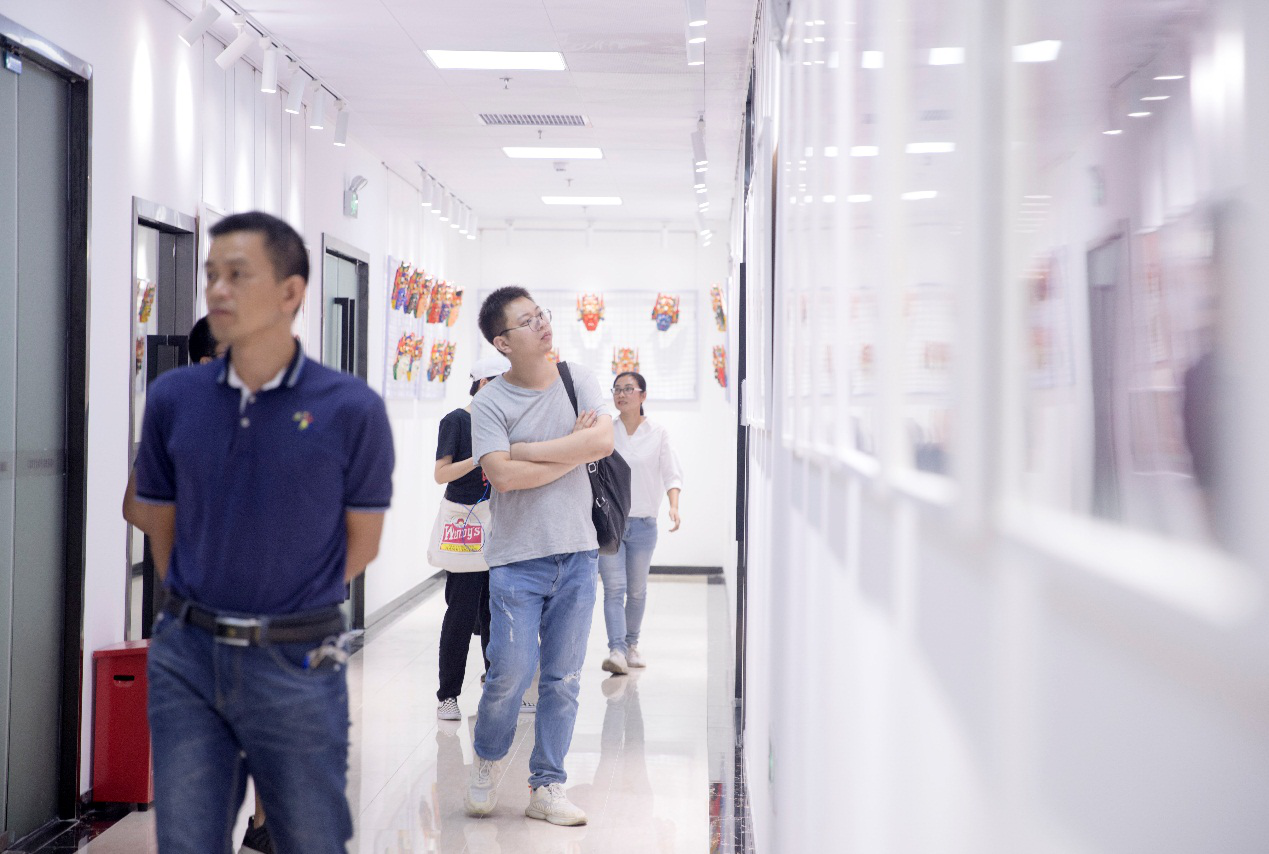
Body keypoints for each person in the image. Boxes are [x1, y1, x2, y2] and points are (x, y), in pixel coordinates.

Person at [122, 211, 395, 854]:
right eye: (211, 274)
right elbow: (156, 517)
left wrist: (283, 596)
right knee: (186, 840)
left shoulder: (350, 408)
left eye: (238, 274)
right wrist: (201, 595)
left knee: (310, 838)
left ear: (291, 292)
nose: (218, 289)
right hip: (188, 655)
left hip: (296, 657)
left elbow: (363, 541)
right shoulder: (174, 398)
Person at [464, 286, 614, 826]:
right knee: (509, 672)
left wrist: (527, 451)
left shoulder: (579, 379)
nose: (543, 324)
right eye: (527, 321)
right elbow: (502, 477)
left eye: (541, 314)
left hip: (577, 554)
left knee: (563, 679)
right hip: (516, 559)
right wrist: (570, 450)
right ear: (503, 343)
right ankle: (487, 758)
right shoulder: (489, 403)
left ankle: (547, 785)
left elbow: (603, 443)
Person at [433, 353, 519, 721]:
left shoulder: (504, 421)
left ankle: (496, 688)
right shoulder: (456, 421)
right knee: (461, 611)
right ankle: (448, 695)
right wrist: (478, 458)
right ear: (484, 384)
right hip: (464, 527)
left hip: (500, 523)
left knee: (495, 612)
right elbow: (441, 474)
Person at [599, 371, 682, 675]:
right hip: (611, 523)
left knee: (636, 590)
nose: (621, 394)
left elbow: (671, 473)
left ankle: (631, 644)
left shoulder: (658, 433)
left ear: (643, 396)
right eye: (617, 389)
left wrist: (674, 506)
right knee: (614, 588)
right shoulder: (606, 430)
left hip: (645, 524)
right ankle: (617, 650)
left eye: (628, 389)